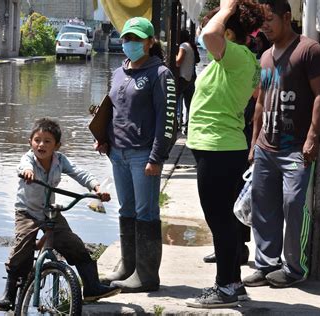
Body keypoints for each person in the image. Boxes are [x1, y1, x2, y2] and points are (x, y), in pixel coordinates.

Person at [243, 0, 320, 288]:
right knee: (262, 204)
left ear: (287, 17)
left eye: (269, 20)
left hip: (296, 148)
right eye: (262, 21)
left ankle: (294, 268)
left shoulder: (309, 50)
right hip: (267, 147)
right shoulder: (266, 56)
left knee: (294, 204)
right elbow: (261, 102)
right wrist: (254, 141)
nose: (264, 26)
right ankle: (266, 264)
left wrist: (313, 137)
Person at [0, 118, 120, 311]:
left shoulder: (60, 160)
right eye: (37, 140)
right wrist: (27, 172)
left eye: (47, 141)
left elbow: (79, 173)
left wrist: (96, 187)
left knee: (74, 245)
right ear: (30, 142)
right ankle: (8, 295)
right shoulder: (29, 160)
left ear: (56, 146)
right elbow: (23, 166)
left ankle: (92, 287)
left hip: (49, 212)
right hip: (27, 212)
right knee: (22, 248)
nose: (41, 144)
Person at [184, 0, 264, 309]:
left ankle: (225, 286)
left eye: (218, 24)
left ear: (228, 32)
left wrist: (227, 8)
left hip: (219, 148)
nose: (209, 27)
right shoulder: (237, 61)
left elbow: (208, 35)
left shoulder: (239, 57)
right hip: (218, 147)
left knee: (219, 221)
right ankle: (234, 284)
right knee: (225, 220)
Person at [95, 17, 176, 293]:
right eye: (127, 38)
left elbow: (167, 121)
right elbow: (113, 111)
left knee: (146, 212)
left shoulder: (160, 74)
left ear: (150, 42)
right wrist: (104, 139)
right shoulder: (120, 72)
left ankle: (146, 275)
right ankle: (127, 267)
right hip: (118, 153)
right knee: (126, 209)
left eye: (137, 39)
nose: (130, 43)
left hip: (144, 155)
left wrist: (156, 157)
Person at [176, 29, 200, 133]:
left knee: (175, 101)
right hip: (190, 78)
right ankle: (189, 126)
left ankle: (176, 124)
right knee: (189, 104)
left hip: (182, 78)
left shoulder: (183, 46)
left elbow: (178, 62)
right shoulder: (190, 45)